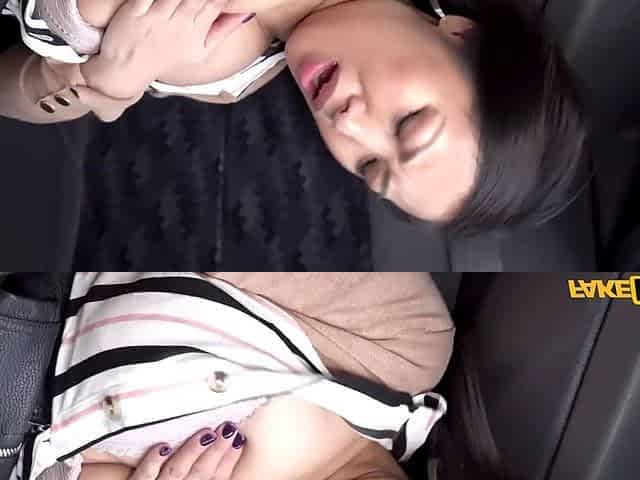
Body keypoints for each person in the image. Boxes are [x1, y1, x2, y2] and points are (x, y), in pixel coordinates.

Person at [0, 0, 586, 233]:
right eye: (408, 124)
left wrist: (97, 84)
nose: (348, 125)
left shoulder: (226, 79)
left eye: (370, 167)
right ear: (460, 33)